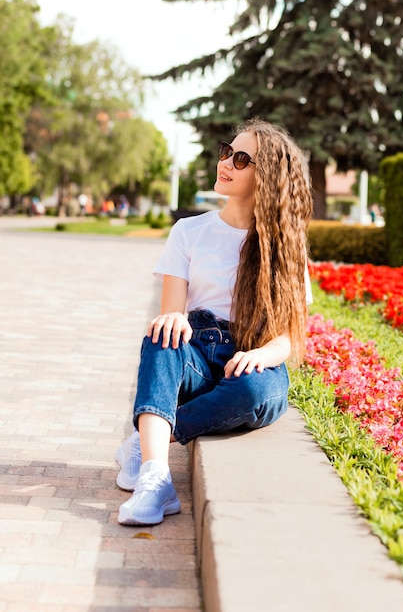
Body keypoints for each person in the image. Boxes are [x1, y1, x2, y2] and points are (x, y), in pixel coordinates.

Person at [115, 118, 313, 526]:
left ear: (268, 175)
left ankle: (150, 436)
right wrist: (172, 321)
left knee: (258, 387)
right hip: (198, 356)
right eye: (227, 151)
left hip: (251, 362)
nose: (227, 162)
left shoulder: (285, 246)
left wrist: (260, 354)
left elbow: (289, 337)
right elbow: (172, 310)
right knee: (160, 337)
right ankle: (155, 480)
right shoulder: (189, 231)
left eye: (242, 159)